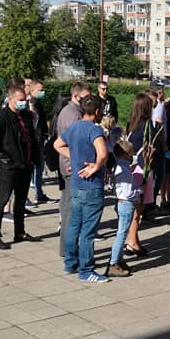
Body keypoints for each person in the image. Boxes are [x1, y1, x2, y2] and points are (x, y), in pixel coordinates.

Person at [53, 97, 109, 282]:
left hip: (76, 185)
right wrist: (96, 166)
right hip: (91, 186)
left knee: (73, 225)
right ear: (97, 112)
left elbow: (57, 144)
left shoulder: (74, 127)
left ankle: (70, 263)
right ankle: (86, 270)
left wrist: (75, 158)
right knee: (88, 230)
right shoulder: (94, 129)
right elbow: (103, 153)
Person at [0, 85, 41, 250]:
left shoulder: (25, 115)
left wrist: (35, 159)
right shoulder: (1, 117)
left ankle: (20, 232)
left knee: (21, 200)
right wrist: (6, 159)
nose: (23, 103)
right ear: (10, 99)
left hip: (25, 164)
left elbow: (31, 138)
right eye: (20, 100)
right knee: (3, 198)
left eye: (24, 100)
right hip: (9, 167)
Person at [56, 82, 89, 256]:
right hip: (71, 167)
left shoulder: (71, 111)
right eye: (86, 97)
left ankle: (68, 249)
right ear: (76, 96)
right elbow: (73, 143)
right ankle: (68, 250)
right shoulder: (73, 115)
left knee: (69, 207)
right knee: (71, 211)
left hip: (69, 165)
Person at [126, 93, 157, 253]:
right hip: (142, 168)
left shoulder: (131, 124)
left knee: (134, 205)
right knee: (138, 208)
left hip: (131, 168)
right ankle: (132, 241)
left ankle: (134, 238)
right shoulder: (147, 126)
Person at [107, 140, 140, 278]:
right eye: (131, 152)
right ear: (126, 154)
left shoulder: (122, 166)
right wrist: (139, 191)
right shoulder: (123, 169)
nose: (132, 155)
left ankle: (119, 260)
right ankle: (114, 263)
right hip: (126, 202)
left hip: (123, 202)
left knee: (122, 233)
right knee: (121, 234)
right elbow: (127, 192)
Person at [27, 80, 51, 205]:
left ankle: (39, 193)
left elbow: (42, 121)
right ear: (32, 90)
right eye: (40, 90)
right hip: (28, 141)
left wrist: (45, 134)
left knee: (39, 166)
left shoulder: (39, 104)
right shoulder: (25, 104)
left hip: (39, 139)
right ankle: (24, 198)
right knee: (28, 169)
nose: (43, 92)